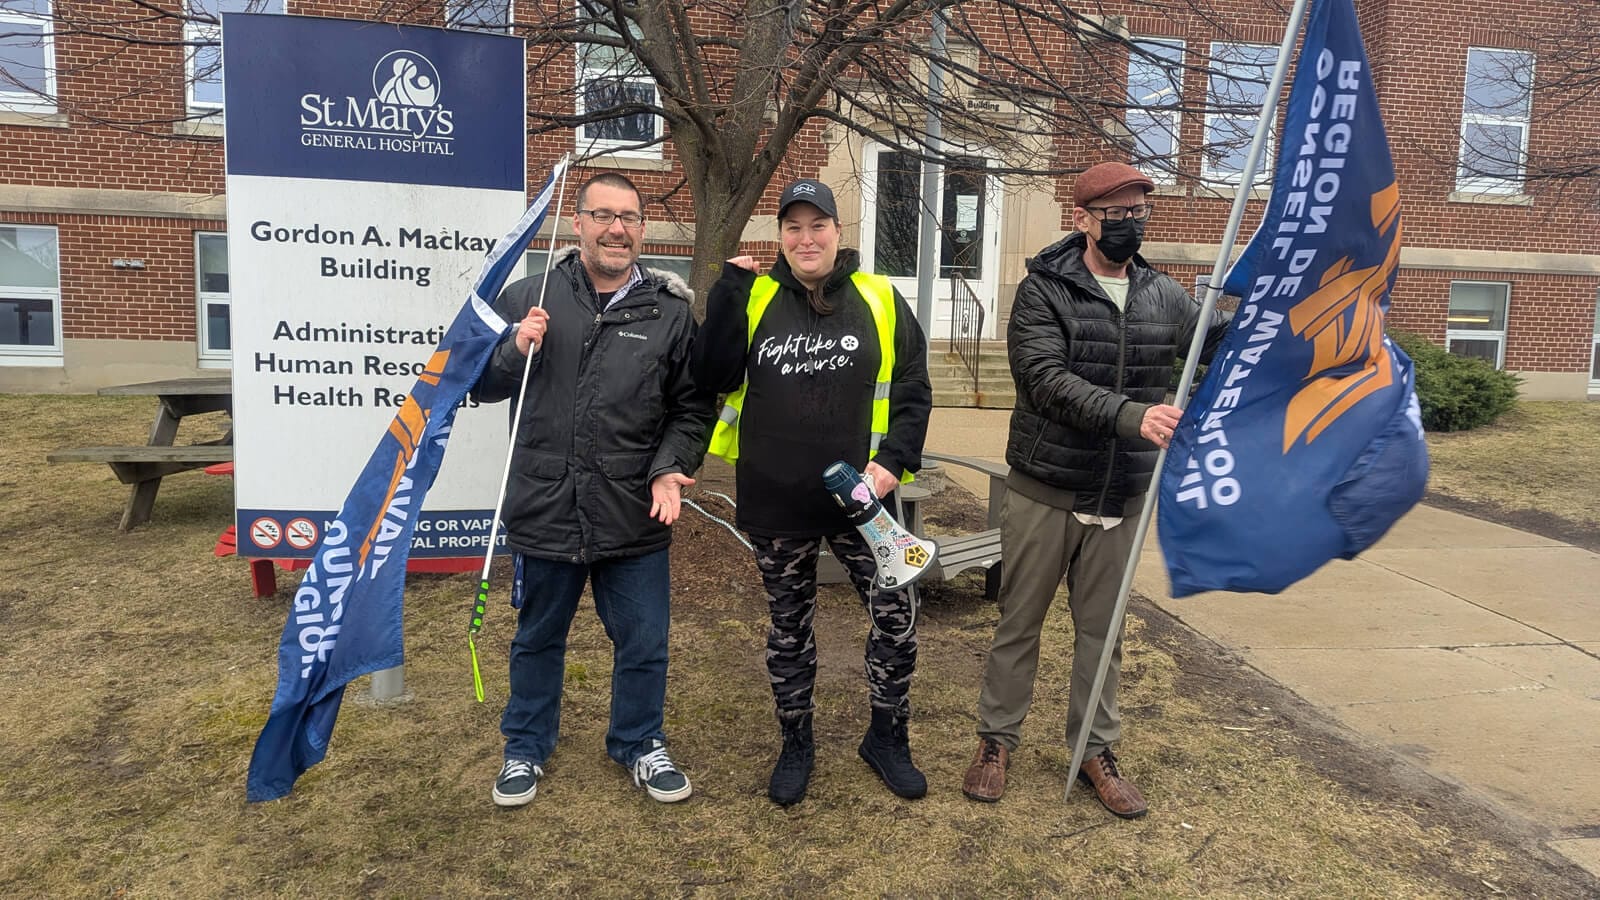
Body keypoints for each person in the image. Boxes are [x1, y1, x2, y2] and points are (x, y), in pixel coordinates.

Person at [961, 162, 1230, 818]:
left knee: (1102, 634)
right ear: (1082, 218)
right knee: (1018, 624)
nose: (1129, 223)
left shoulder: (1162, 295)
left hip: (1121, 498)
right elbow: (1044, 377)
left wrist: (1273, 318)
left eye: (1140, 212)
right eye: (1115, 213)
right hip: (1045, 492)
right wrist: (1131, 415)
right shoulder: (1043, 291)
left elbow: (1212, 343)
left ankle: (1094, 749)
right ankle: (996, 742)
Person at [474, 172, 717, 808]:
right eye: (603, 215)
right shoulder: (531, 298)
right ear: (577, 222)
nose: (617, 228)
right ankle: (525, 747)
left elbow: (692, 409)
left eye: (629, 217)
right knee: (536, 638)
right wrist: (511, 350)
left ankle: (639, 742)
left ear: (643, 227)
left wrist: (669, 466)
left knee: (644, 641)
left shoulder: (669, 313)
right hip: (546, 503)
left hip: (632, 508)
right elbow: (476, 384)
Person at [692, 178, 933, 807]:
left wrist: (891, 465)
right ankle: (796, 741)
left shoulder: (878, 297)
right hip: (777, 499)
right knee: (790, 628)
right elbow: (710, 376)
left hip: (865, 502)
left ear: (837, 232)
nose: (806, 238)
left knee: (897, 619)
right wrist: (725, 295)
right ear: (780, 236)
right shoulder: (753, 295)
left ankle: (886, 736)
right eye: (793, 227)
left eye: (817, 225)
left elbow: (912, 388)